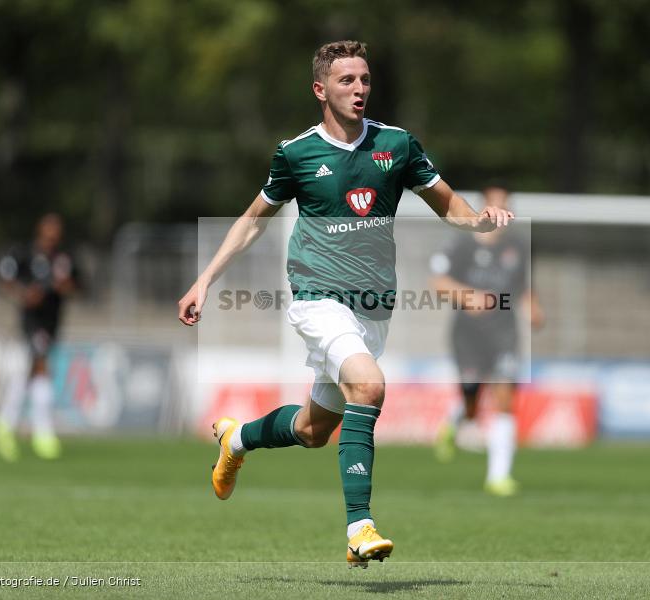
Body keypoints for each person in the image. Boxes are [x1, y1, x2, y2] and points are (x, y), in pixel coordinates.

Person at [178, 40, 514, 568]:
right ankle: (360, 528)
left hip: (373, 308)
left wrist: (479, 221)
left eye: (364, 80)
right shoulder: (296, 153)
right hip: (317, 299)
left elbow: (445, 199)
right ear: (320, 89)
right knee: (370, 385)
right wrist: (205, 280)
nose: (359, 90)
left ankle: (236, 439)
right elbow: (252, 221)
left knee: (314, 432)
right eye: (346, 81)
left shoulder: (397, 145)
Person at [430, 186, 544, 496]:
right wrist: (469, 297)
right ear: (484, 209)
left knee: (505, 397)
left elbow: (524, 285)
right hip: (467, 333)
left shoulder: (518, 246)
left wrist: (532, 307)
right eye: (494, 206)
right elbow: (439, 283)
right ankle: (456, 421)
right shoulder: (461, 244)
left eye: (505, 206)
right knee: (472, 401)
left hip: (504, 332)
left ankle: (498, 476)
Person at [0, 213, 78, 461]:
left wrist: (65, 286)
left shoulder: (64, 258)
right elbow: (5, 279)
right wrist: (25, 293)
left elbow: (78, 285)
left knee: (32, 369)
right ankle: (42, 430)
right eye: (49, 230)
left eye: (56, 231)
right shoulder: (24, 254)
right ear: (40, 230)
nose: (52, 235)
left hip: (53, 321)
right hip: (32, 321)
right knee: (41, 367)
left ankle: (5, 421)